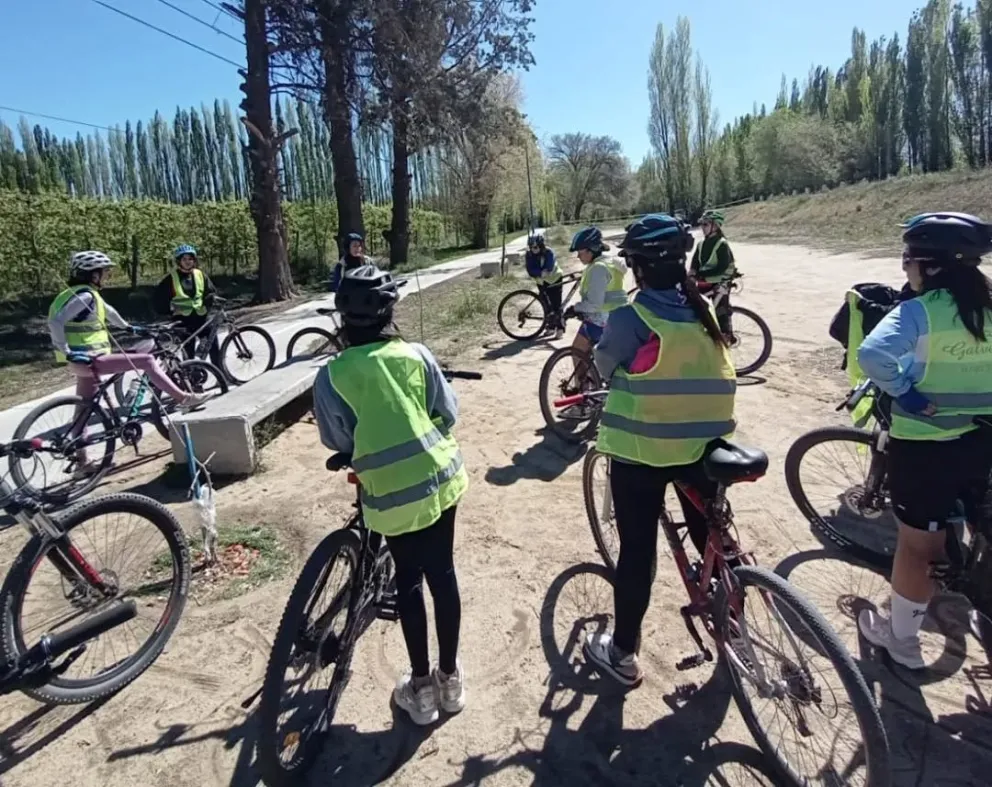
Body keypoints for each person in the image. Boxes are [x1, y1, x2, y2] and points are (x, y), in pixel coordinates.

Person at [581, 213, 737, 688]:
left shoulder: (633, 317)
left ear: (638, 268)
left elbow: (605, 365)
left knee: (636, 554)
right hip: (705, 446)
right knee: (708, 533)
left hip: (643, 452)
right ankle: (731, 612)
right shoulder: (704, 310)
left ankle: (623, 654)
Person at [312, 264, 468, 725]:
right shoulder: (416, 354)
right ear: (389, 312)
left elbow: (336, 439)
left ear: (342, 317)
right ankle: (450, 681)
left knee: (409, 580)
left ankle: (420, 689)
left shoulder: (332, 376)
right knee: (443, 574)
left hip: (390, 495)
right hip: (440, 479)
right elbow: (448, 413)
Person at [856, 211, 992, 670]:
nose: (905, 269)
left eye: (907, 260)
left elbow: (873, 354)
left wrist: (907, 393)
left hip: (926, 447)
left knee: (919, 546)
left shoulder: (918, 312)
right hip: (982, 440)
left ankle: (902, 641)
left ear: (930, 267)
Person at [49, 251, 210, 475]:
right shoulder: (85, 296)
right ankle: (184, 398)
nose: (106, 276)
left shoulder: (78, 294)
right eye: (104, 272)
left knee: (83, 410)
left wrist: (130, 328)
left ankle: (82, 463)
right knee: (147, 360)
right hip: (88, 358)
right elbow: (55, 322)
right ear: (92, 274)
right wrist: (66, 350)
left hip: (83, 361)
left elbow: (109, 312)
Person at [563, 225, 627, 358]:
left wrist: (575, 308)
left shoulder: (598, 269)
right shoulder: (609, 262)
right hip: (616, 319)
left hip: (600, 322)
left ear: (591, 250)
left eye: (580, 252)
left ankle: (586, 372)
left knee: (577, 353)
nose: (578, 256)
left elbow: (594, 304)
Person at [153, 244, 221, 367]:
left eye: (190, 259)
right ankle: (191, 375)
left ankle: (219, 371)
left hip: (201, 317)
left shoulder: (200, 274)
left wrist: (209, 303)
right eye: (184, 259)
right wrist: (168, 312)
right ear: (179, 261)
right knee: (188, 351)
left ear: (194, 260)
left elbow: (210, 292)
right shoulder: (171, 278)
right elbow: (158, 299)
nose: (188, 262)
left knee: (212, 342)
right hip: (183, 321)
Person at [689, 209, 736, 335]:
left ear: (715, 226)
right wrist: (692, 273)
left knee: (720, 312)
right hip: (704, 283)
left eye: (706, 224)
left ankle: (727, 337)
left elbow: (722, 267)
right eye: (701, 224)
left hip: (719, 283)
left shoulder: (722, 244)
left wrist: (700, 275)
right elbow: (695, 262)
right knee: (699, 310)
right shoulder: (701, 244)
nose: (702, 227)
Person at [524, 234, 565, 339]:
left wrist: (539, 272)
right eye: (531, 247)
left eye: (535, 247)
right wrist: (539, 273)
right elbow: (530, 270)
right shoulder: (529, 255)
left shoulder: (548, 252)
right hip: (541, 282)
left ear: (541, 245)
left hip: (554, 278)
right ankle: (551, 327)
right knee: (546, 304)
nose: (533, 249)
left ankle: (560, 328)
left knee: (556, 304)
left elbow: (549, 268)